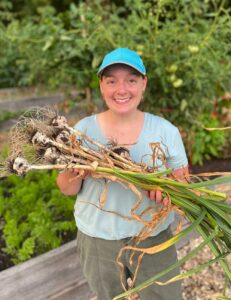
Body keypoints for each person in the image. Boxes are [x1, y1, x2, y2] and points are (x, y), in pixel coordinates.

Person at [56, 48, 188, 300]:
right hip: (97, 239)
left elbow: (182, 181)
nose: (121, 89)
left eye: (131, 80)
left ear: (144, 84)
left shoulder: (165, 130)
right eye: (112, 80)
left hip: (153, 237)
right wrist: (76, 173)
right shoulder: (82, 131)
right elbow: (66, 188)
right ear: (101, 86)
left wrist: (170, 191)